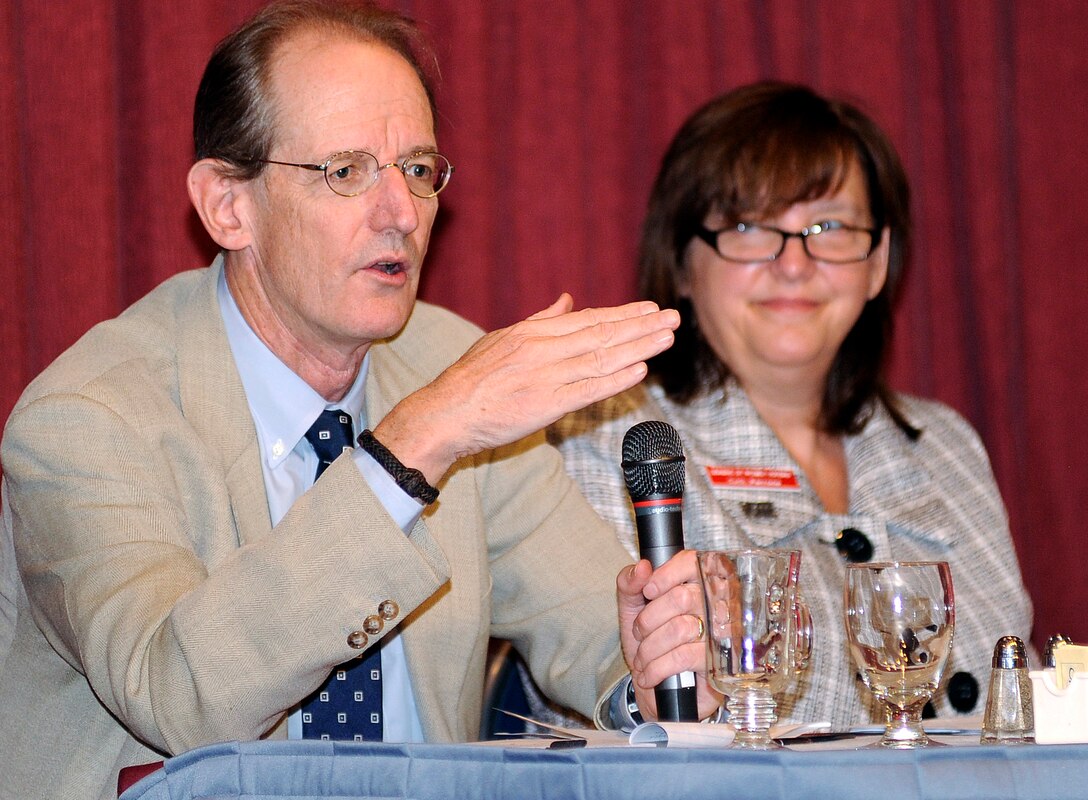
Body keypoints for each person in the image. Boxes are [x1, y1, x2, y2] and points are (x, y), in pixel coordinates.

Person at [0, 3, 716, 798]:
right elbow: (182, 698)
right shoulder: (91, 416)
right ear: (227, 207)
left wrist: (648, 677)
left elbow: (601, 640)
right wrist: (412, 447)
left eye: (417, 169)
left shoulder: (447, 367)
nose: (402, 214)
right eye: (345, 172)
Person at [549, 81, 1034, 729]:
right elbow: (609, 691)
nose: (794, 264)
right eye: (751, 226)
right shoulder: (609, 442)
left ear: (877, 261)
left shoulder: (944, 443)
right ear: (683, 263)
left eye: (827, 226)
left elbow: (1021, 697)